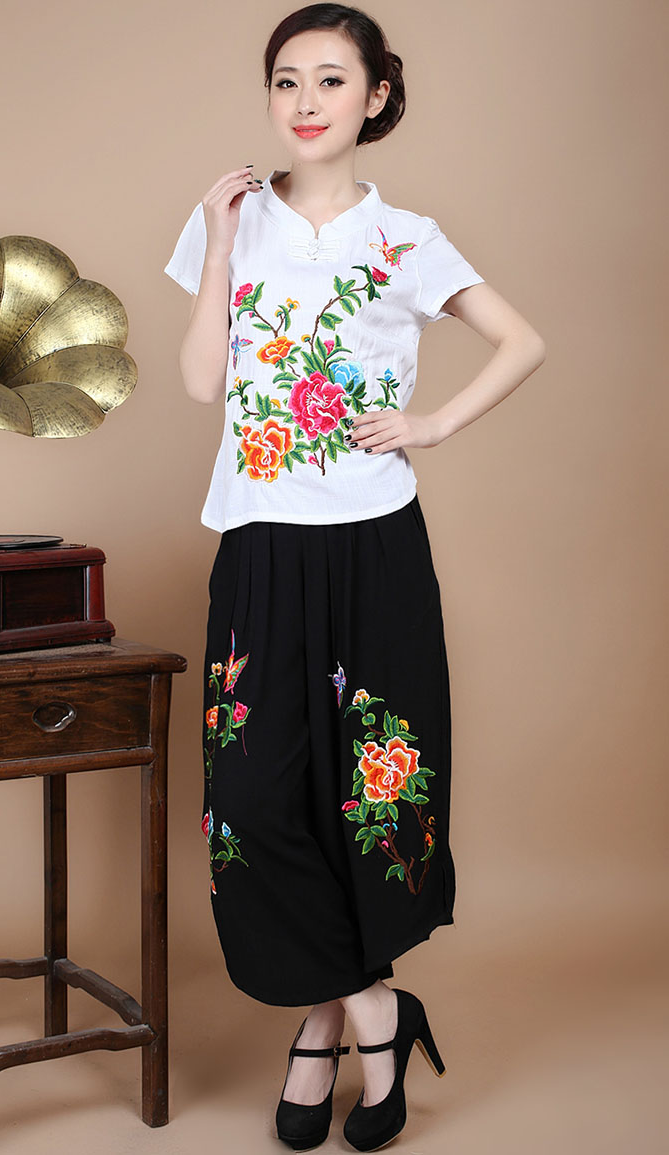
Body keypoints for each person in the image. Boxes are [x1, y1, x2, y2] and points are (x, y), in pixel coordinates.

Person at [163, 4, 545, 1150]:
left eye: (332, 79)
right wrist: (220, 244)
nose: (306, 100)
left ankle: (319, 1029)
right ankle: (377, 1008)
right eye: (287, 79)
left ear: (376, 95)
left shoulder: (408, 238)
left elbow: (522, 342)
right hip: (260, 545)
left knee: (373, 796)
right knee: (254, 799)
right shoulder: (231, 218)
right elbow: (201, 384)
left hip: (374, 546)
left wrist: (429, 425)